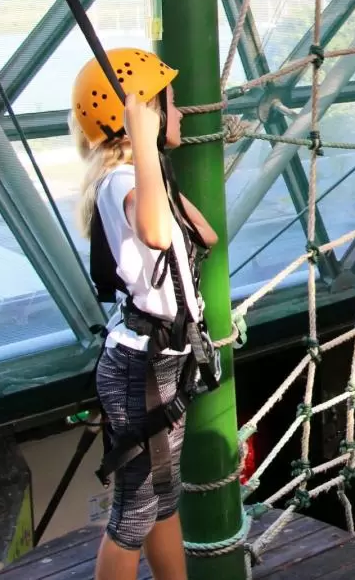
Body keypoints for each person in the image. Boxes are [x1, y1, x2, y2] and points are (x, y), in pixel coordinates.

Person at [69, 48, 219, 580]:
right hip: (141, 369)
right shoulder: (123, 184)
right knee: (133, 512)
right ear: (141, 117)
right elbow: (157, 234)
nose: (178, 117)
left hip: (162, 362)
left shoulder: (145, 180)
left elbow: (204, 235)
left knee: (161, 497)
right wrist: (147, 146)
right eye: (169, 108)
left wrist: (154, 154)